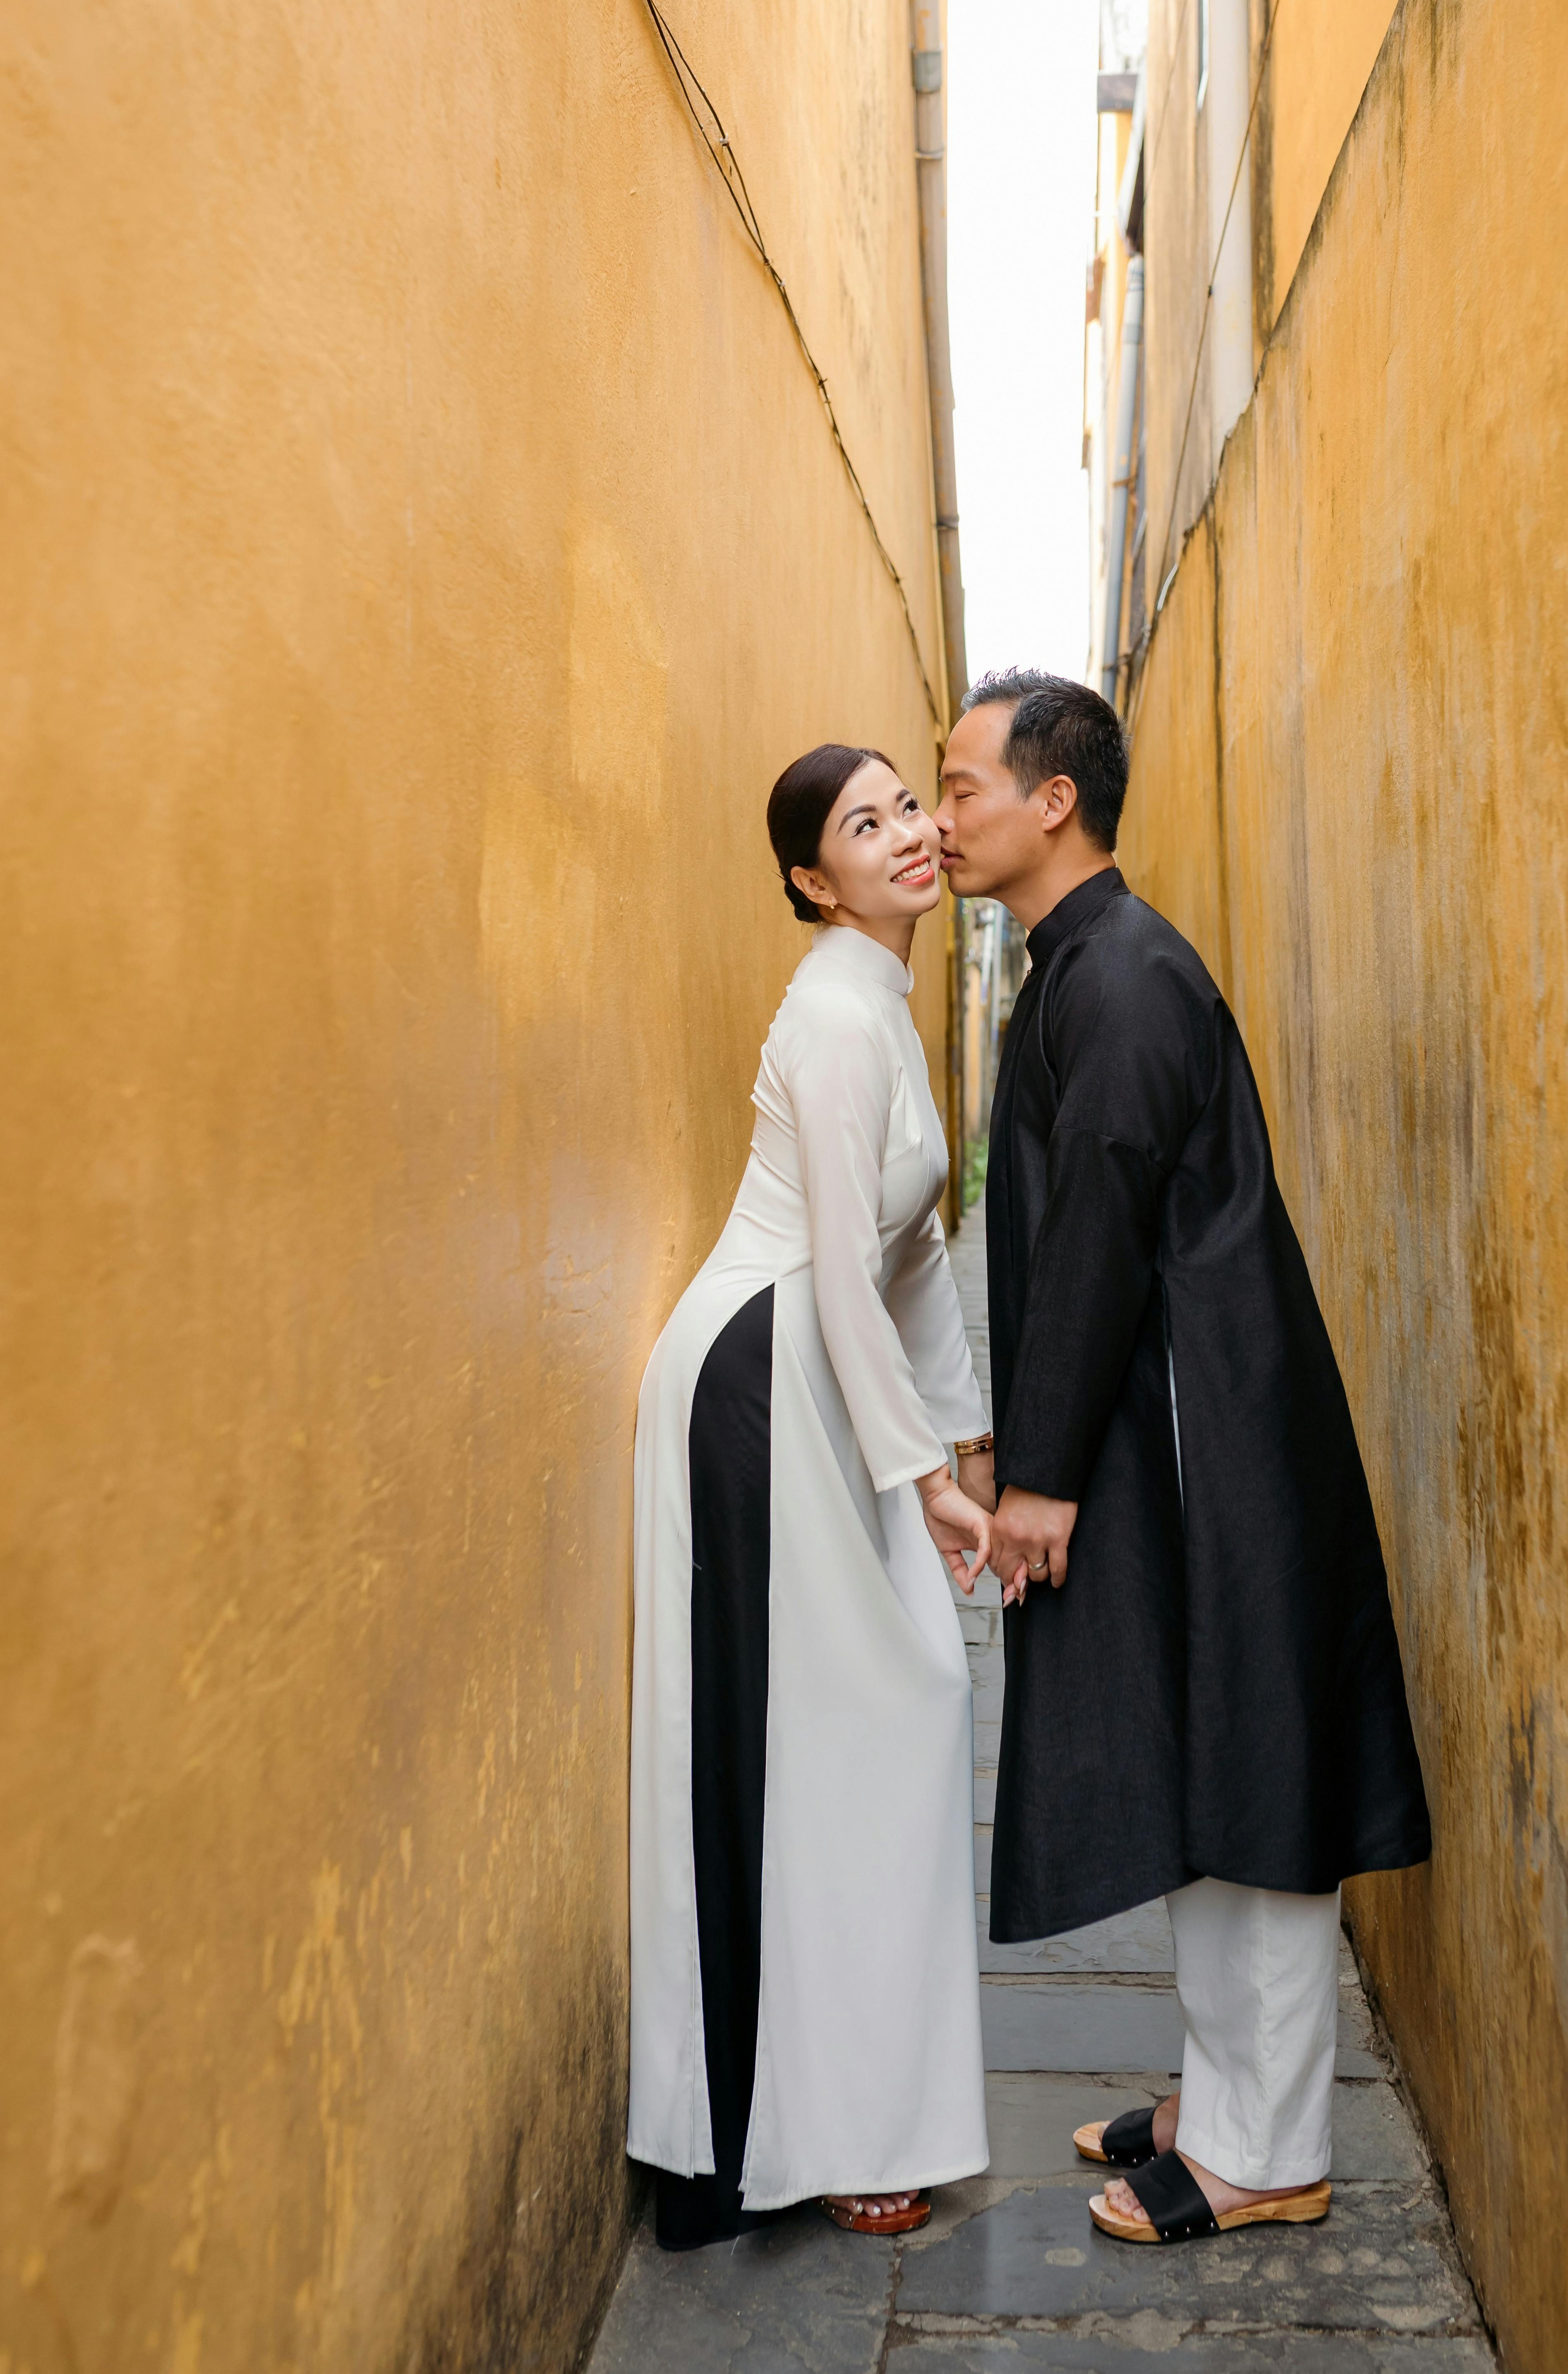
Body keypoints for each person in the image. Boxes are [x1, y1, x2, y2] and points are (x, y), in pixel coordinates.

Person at [935, 670, 1431, 2250]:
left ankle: (1265, 2149)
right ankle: (1225, 2094)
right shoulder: (1088, 961)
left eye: (960, 787)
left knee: (1251, 1770)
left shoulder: (1125, 978)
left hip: (1198, 1427)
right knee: (1202, 1753)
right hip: (1173, 1417)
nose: (944, 818)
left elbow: (1097, 1232)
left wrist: (1039, 1474)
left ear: (1049, 800)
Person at [628, 744, 996, 2250]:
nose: (908, 833)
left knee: (885, 1725)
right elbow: (842, 1263)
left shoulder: (884, 1007)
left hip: (815, 1371)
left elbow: (915, 1258)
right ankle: (781, 2128)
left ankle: (846, 2103)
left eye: (911, 803)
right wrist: (921, 1474)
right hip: (760, 1379)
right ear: (809, 879)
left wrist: (959, 1445)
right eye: (865, 823)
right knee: (842, 1734)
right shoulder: (838, 1016)